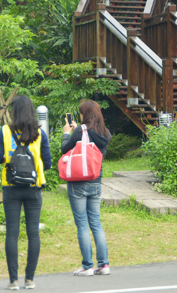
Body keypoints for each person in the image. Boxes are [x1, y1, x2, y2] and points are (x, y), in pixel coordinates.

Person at [0, 95, 52, 290]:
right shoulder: (39, 133)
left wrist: (9, 158)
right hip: (33, 188)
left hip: (10, 187)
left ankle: (13, 281)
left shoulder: (4, 131)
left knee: (12, 233)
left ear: (14, 111)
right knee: (33, 233)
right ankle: (29, 280)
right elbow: (48, 162)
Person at [61, 100, 112, 276]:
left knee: (82, 224)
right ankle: (104, 265)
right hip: (96, 182)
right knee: (96, 223)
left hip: (78, 184)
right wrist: (78, 129)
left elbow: (64, 149)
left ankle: (87, 266)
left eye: (81, 113)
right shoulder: (105, 133)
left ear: (86, 115)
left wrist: (67, 133)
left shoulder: (79, 132)